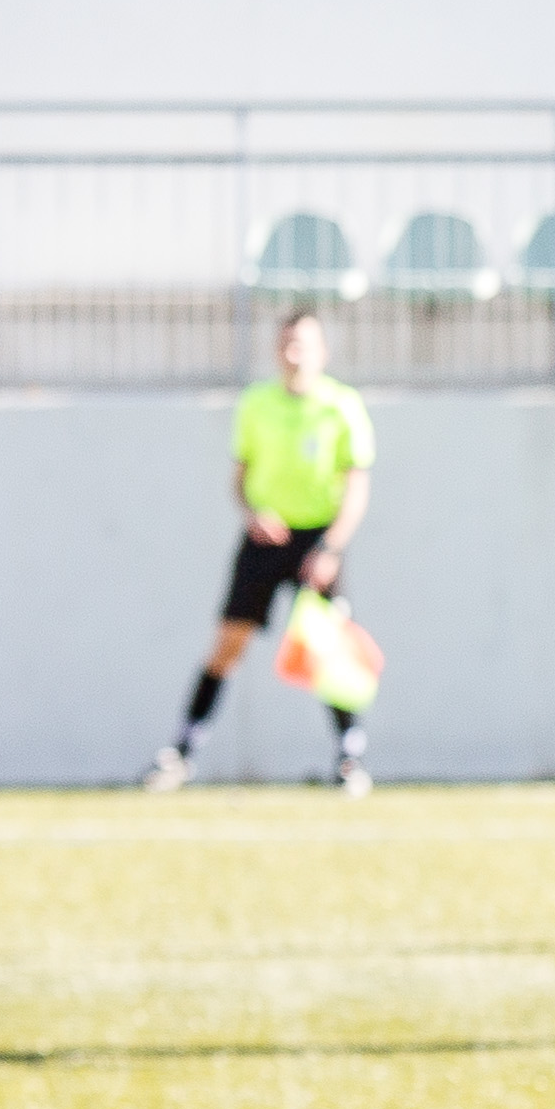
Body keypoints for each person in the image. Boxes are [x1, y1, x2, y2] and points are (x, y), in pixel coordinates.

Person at [147, 308, 375, 795]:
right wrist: (254, 513)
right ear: (277, 351)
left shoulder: (342, 405)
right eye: (287, 344)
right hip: (265, 540)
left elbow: (356, 486)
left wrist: (331, 547)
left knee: (328, 651)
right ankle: (181, 753)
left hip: (318, 541)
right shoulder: (255, 404)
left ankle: (350, 760)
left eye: (304, 345)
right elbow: (239, 481)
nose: (295, 354)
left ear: (322, 352)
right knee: (229, 644)